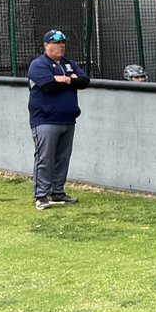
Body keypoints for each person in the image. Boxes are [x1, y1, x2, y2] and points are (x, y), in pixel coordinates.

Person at [28, 29, 90, 210]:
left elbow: (85, 81)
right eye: (56, 43)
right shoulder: (38, 64)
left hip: (68, 119)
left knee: (62, 158)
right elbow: (49, 86)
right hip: (45, 120)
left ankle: (57, 192)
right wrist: (66, 80)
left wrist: (67, 80)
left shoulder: (69, 63)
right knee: (45, 158)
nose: (61, 46)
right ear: (46, 45)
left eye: (62, 42)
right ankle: (41, 195)